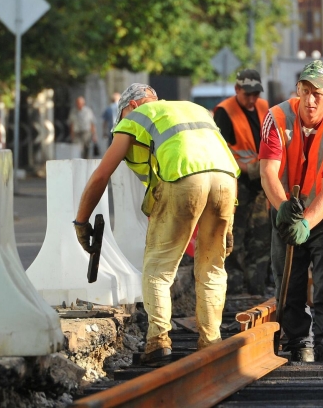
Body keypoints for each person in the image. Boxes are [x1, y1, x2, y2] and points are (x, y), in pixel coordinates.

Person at [73, 83, 238, 366]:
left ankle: (158, 341)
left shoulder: (137, 117)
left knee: (157, 269)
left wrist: (81, 221)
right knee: (212, 267)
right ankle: (211, 343)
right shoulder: (193, 110)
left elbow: (101, 176)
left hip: (183, 177)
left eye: (121, 115)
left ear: (133, 105)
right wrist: (229, 227)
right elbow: (214, 160)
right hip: (227, 182)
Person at [259, 60, 323, 362]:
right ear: (297, 89)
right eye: (305, 90)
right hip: (285, 209)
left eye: (318, 93)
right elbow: (268, 172)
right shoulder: (276, 117)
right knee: (289, 283)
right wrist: (283, 208)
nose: (310, 100)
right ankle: (299, 342)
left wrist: (307, 223)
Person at [213, 69, 271, 296]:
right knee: (235, 233)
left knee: (261, 234)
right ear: (237, 89)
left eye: (255, 93)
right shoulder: (224, 112)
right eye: (247, 94)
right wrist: (246, 168)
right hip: (237, 182)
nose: (252, 99)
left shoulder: (264, 108)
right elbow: (222, 149)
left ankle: (257, 285)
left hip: (260, 181)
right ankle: (235, 287)